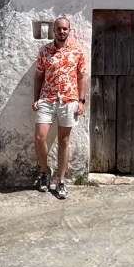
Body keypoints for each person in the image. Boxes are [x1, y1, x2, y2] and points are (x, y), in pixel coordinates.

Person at [33, 17, 87, 199]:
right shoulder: (45, 51)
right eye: (59, 29)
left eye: (65, 29)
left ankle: (61, 180)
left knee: (64, 140)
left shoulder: (77, 52)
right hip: (47, 99)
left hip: (68, 100)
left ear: (69, 30)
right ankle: (45, 171)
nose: (62, 32)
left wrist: (81, 101)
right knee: (40, 136)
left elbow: (81, 77)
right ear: (53, 30)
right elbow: (38, 77)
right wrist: (35, 99)